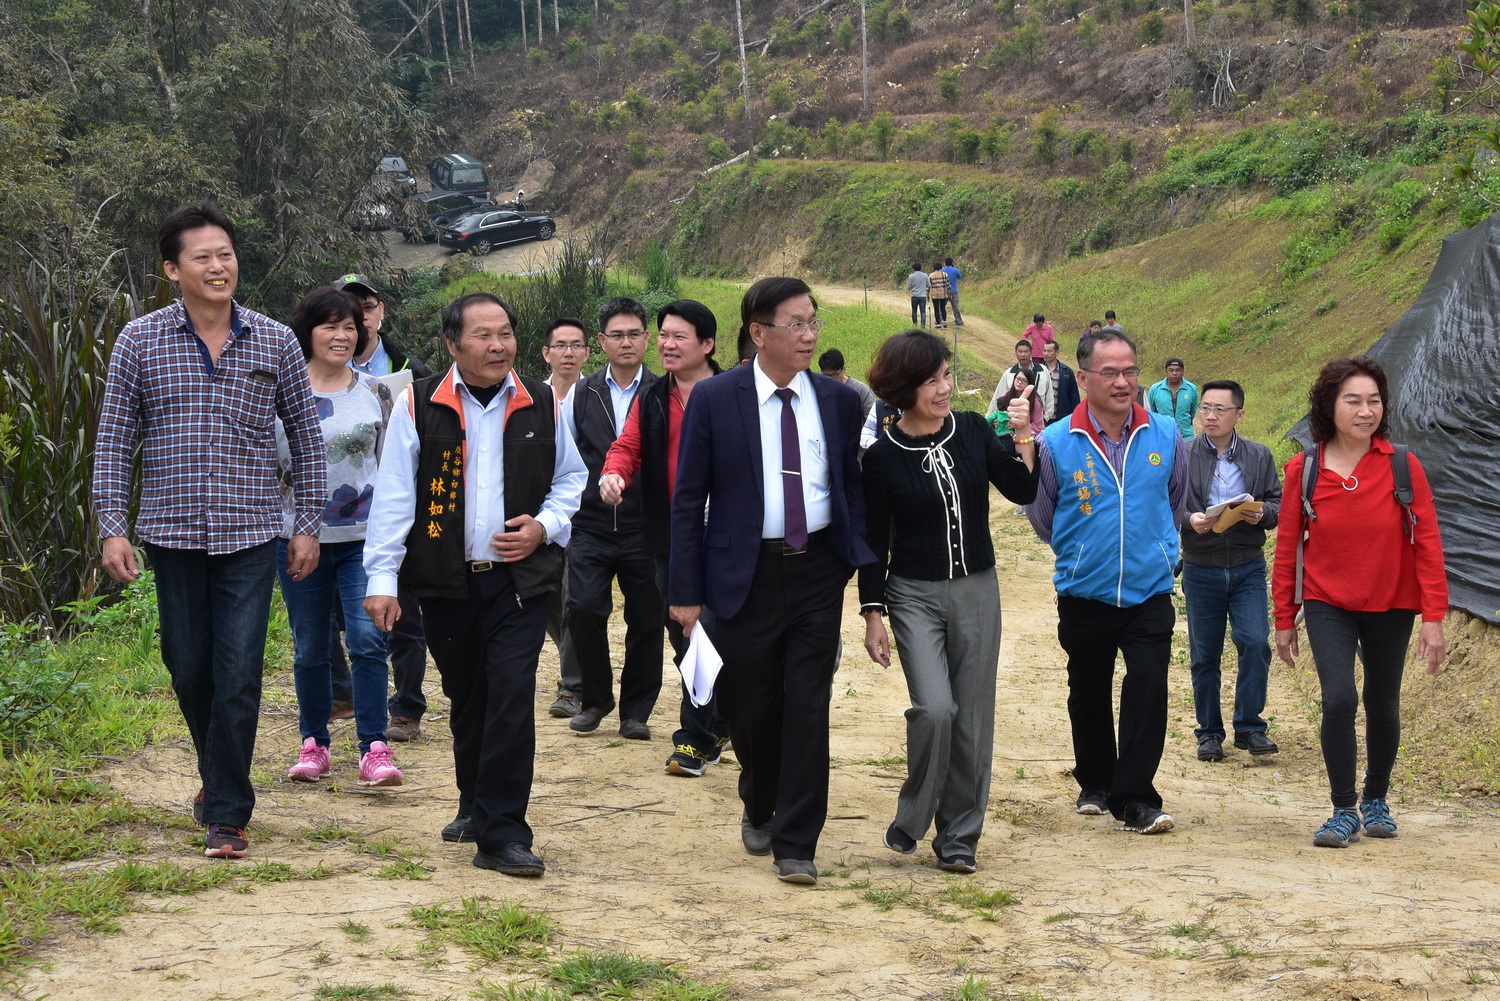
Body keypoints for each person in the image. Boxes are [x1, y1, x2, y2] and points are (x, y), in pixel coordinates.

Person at [93, 203, 327, 859]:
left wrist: (306, 524)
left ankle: (227, 811)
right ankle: (216, 776)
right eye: (203, 256)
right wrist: (113, 527)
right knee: (190, 666)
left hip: (251, 534)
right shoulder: (139, 341)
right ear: (173, 269)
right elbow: (113, 444)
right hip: (172, 531)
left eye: (225, 253)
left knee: (239, 674)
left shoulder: (276, 340)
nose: (218, 266)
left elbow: (307, 445)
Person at [364, 292, 586, 877]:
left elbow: (572, 479)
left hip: (518, 581)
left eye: (506, 333)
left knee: (510, 694)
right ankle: (474, 801)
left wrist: (544, 526)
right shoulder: (419, 403)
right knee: (469, 697)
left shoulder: (541, 401)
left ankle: (503, 833)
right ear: (452, 343)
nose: (498, 345)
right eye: (484, 335)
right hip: (446, 582)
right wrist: (382, 579)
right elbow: (393, 498)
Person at [669, 276, 875, 886]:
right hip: (742, 574)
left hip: (816, 571)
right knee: (752, 706)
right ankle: (758, 798)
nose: (810, 335)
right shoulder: (716, 398)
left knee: (808, 706)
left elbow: (850, 490)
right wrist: (685, 590)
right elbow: (688, 500)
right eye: (796, 324)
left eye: (814, 322)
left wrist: (860, 573)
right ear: (759, 333)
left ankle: (797, 841)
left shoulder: (838, 402)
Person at [859, 330, 1038, 874]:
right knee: (936, 709)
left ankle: (959, 838)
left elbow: (1022, 491)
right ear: (902, 388)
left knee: (973, 719)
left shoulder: (974, 430)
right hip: (912, 596)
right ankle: (914, 816)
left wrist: (1025, 435)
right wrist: (873, 614)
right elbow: (872, 542)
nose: (944, 388)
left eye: (945, 376)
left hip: (978, 591)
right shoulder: (881, 458)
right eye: (931, 380)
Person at [1272, 356, 1447, 849]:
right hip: (1328, 601)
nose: (1365, 410)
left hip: (1391, 602)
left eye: (1374, 400)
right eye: (1353, 400)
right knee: (1339, 698)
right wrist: (1284, 617)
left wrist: (1433, 616)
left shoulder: (1401, 464)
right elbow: (1288, 548)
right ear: (1330, 405)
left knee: (1383, 704)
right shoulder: (1303, 469)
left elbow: (1428, 543)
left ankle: (1376, 799)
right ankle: (1343, 808)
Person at [1025, 330, 1188, 835]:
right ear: (1083, 378)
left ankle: (1136, 798)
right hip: (1084, 593)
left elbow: (1176, 503)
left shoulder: (1164, 433)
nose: (1123, 382)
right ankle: (1094, 779)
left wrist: (1161, 549)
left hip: (1149, 592)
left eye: (1131, 372)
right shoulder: (1056, 441)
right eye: (1110, 372)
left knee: (1148, 686)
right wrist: (1082, 553)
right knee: (1087, 689)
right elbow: (1043, 517)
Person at [276, 286, 402, 788]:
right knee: (311, 646)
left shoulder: (377, 392)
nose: (342, 335)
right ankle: (314, 744)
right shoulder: (281, 393)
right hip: (295, 539)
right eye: (330, 325)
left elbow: (395, 467)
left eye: (351, 326)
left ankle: (374, 745)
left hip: (365, 539)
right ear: (308, 331)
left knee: (369, 639)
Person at [599, 299, 730, 776]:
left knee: (714, 631)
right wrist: (614, 475)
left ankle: (694, 738)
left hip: (730, 535)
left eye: (680, 337)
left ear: (707, 344)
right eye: (665, 336)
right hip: (672, 536)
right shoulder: (653, 396)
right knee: (684, 634)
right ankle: (716, 723)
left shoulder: (737, 391)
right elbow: (628, 445)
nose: (667, 345)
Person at [332, 273, 431, 743]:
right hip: (337, 519)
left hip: (399, 512)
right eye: (347, 308)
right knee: (335, 617)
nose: (359, 316)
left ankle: (407, 706)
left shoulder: (415, 370)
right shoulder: (306, 372)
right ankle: (343, 695)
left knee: (405, 613)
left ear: (380, 311)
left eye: (366, 306)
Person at [564, 298, 663, 740]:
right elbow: (565, 459)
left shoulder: (664, 393)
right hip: (591, 525)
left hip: (647, 527)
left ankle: (636, 710)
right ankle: (596, 698)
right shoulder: (580, 395)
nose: (626, 342)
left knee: (646, 619)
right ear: (601, 342)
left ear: (648, 338)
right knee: (583, 609)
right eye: (617, 335)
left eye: (635, 334)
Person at [1180, 380, 1282, 763]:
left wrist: (1263, 513)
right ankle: (1208, 733)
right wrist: (1191, 519)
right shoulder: (1183, 453)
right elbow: (1168, 502)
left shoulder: (1258, 455)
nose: (1210, 416)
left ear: (1239, 414)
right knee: (1204, 654)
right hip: (1200, 565)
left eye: (1220, 409)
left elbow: (1276, 501)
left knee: (1255, 642)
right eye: (1205, 408)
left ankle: (1250, 727)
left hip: (1247, 565)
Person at [539, 318, 588, 718]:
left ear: (588, 352)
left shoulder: (599, 395)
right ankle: (575, 662)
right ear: (546, 353)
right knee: (549, 603)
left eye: (576, 345)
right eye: (560, 345)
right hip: (542, 516)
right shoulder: (531, 397)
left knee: (574, 600)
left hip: (586, 516)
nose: (568, 353)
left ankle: (572, 687)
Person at [987, 339, 1053, 419]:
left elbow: (1049, 396)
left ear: (1031, 353)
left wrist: (1045, 418)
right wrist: (989, 418)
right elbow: (998, 396)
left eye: (1026, 351)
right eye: (1020, 352)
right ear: (1016, 353)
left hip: (1037, 421)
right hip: (1014, 420)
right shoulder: (1009, 373)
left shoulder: (1043, 371)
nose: (1023, 355)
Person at [1147, 358, 1200, 440]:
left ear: (1183, 372)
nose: (1174, 373)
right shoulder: (1155, 389)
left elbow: (1192, 412)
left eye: (1178, 370)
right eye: (1171, 370)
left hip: (1186, 436)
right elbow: (1152, 412)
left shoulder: (1191, 389)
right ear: (1165, 372)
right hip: (1162, 435)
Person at [819, 348, 877, 419]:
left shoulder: (861, 390)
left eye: (834, 375)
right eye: (826, 375)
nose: (830, 379)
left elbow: (872, 419)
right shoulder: (818, 390)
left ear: (843, 369)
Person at [993, 368, 1045, 438]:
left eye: (1024, 380)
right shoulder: (1006, 394)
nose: (1019, 382)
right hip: (1002, 435)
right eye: (1018, 379)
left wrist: (1018, 425)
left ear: (1029, 384)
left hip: (1025, 438)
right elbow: (997, 413)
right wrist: (995, 421)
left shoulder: (1036, 401)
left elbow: (1038, 427)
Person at [1040, 340, 1080, 425]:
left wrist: (1075, 416)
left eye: (1049, 351)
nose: (1046, 354)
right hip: (1042, 417)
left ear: (1057, 352)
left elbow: (1074, 396)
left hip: (1061, 417)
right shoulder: (1038, 370)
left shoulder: (1067, 372)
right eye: (1044, 351)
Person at [941, 257, 964, 326]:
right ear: (952, 263)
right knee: (955, 306)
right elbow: (960, 277)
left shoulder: (942, 270)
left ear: (945, 263)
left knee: (942, 306)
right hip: (953, 290)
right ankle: (959, 320)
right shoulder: (956, 270)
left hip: (944, 291)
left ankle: (939, 319)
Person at [906, 263, 930, 329]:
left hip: (914, 296)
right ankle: (923, 326)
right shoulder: (925, 275)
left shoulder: (911, 276)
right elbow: (929, 285)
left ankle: (915, 325)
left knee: (914, 311)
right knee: (923, 312)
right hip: (923, 296)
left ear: (914, 269)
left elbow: (909, 287)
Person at [927, 263, 951, 329]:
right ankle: (945, 322)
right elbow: (948, 286)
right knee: (943, 308)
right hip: (943, 294)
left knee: (936, 309)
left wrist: (927, 295)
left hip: (935, 295)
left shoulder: (931, 275)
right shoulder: (945, 274)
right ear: (941, 267)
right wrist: (949, 294)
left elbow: (928, 286)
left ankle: (938, 324)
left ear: (934, 267)